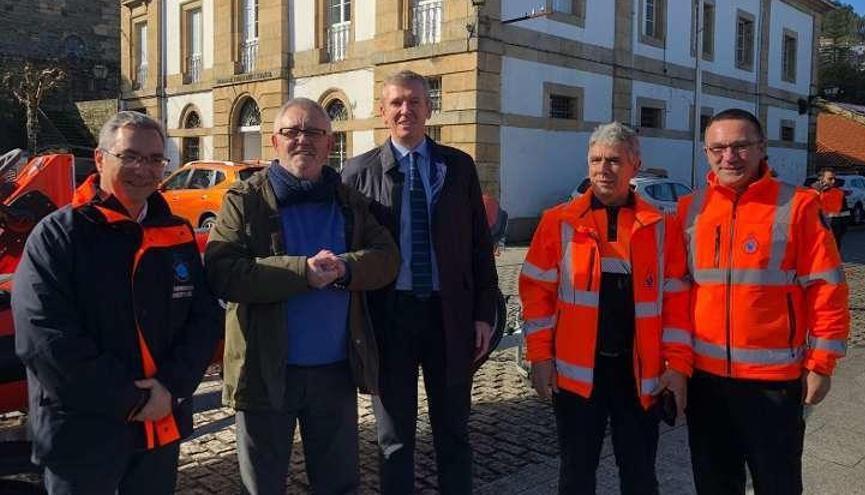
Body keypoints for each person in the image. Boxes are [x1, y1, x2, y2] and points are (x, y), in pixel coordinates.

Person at [13, 111, 222, 495]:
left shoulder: (174, 233)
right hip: (83, 434)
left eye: (155, 159)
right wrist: (133, 399)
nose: (143, 169)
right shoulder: (59, 236)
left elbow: (205, 318)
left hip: (158, 427)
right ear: (99, 158)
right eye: (130, 156)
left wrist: (171, 388)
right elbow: (45, 339)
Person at [204, 97, 400, 495]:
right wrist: (302, 274)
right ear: (274, 141)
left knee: (339, 483)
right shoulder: (245, 200)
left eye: (313, 132)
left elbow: (387, 259)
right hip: (264, 371)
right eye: (292, 132)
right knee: (262, 485)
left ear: (330, 143)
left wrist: (345, 267)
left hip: (334, 373)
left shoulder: (349, 201)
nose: (302, 141)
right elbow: (223, 272)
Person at [342, 70, 499, 495]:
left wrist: (485, 312)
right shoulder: (357, 173)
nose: (405, 110)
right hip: (389, 317)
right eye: (396, 103)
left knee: (454, 431)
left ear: (429, 109)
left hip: (449, 315)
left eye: (414, 101)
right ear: (382, 111)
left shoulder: (458, 167)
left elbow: (479, 247)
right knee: (394, 439)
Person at [679, 108, 850, 495]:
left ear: (761, 148)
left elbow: (827, 288)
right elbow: (678, 290)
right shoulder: (691, 210)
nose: (729, 157)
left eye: (740, 146)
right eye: (718, 147)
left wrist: (821, 364)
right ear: (706, 152)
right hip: (706, 382)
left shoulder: (799, 206)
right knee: (714, 484)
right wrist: (676, 363)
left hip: (773, 384)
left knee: (779, 484)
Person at [519, 122, 693, 495]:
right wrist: (540, 357)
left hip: (639, 377)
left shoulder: (661, 226)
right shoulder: (558, 222)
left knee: (640, 474)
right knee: (576, 474)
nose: (603, 169)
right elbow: (536, 295)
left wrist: (677, 365)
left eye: (614, 160)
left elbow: (677, 303)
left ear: (635, 166)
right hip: (579, 376)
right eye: (596, 159)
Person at [811, 168, 848, 250]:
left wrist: (841, 229)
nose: (833, 181)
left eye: (834, 178)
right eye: (830, 179)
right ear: (821, 178)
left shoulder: (839, 193)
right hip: (817, 233)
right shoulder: (812, 193)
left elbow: (845, 212)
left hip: (835, 231)